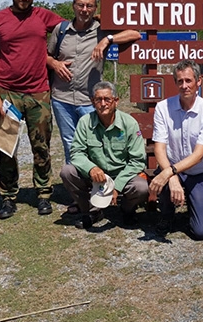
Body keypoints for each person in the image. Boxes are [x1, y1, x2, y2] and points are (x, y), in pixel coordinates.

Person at [48, 0, 141, 214]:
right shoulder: (61, 30)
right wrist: (55, 64)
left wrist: (107, 40)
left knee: (98, 147)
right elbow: (46, 54)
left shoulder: (101, 29)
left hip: (90, 100)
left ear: (95, 8)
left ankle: (105, 191)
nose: (85, 9)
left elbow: (135, 33)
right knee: (72, 148)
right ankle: (83, 196)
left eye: (90, 5)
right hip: (62, 98)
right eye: (80, 4)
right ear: (73, 5)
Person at [0, 0, 64, 219]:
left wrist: (97, 19)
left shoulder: (42, 16)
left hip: (38, 92)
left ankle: (43, 194)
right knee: (7, 148)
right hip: (8, 92)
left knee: (41, 146)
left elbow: (72, 27)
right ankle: (8, 197)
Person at [148, 60, 203, 240]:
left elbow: (198, 155)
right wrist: (171, 176)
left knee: (202, 232)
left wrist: (170, 172)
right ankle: (167, 214)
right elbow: (159, 147)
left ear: (199, 82)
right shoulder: (163, 107)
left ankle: (193, 207)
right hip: (169, 168)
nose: (184, 85)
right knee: (162, 179)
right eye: (180, 81)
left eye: (188, 80)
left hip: (197, 172)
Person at [60, 81, 148, 229]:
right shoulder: (85, 122)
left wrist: (117, 186)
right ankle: (92, 211)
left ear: (116, 101)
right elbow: (76, 152)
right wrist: (91, 168)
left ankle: (127, 210)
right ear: (93, 102)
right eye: (98, 100)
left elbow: (138, 160)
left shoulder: (129, 124)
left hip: (122, 174)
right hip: (95, 175)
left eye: (107, 99)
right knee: (67, 172)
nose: (103, 104)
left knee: (141, 187)